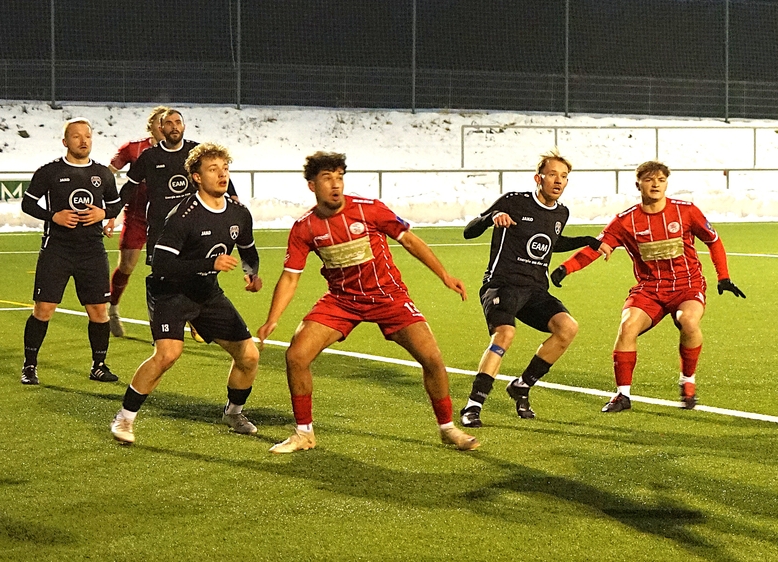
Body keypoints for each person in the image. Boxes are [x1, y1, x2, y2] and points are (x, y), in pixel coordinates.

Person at [257, 152, 479, 453]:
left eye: (339, 177)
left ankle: (448, 428)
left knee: (432, 358)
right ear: (312, 186)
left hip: (388, 296)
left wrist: (444, 275)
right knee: (296, 355)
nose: (336, 184)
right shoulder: (305, 228)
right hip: (342, 300)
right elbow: (290, 277)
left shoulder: (369, 209)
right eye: (327, 178)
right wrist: (272, 319)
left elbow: (409, 240)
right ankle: (304, 433)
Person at [551, 160, 745, 412]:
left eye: (661, 180)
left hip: (687, 286)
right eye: (649, 180)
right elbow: (597, 248)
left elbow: (713, 241)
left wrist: (723, 277)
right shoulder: (625, 221)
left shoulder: (686, 211)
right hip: (649, 289)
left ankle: (687, 380)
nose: (655, 184)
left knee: (688, 321)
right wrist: (566, 268)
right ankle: (622, 395)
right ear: (638, 184)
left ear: (666, 184)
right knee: (627, 326)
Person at [110, 143, 262, 444]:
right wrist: (210, 263)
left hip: (206, 291)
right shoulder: (183, 215)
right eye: (213, 169)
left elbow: (248, 249)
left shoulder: (239, 213)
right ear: (196, 177)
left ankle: (233, 412)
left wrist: (251, 272)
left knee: (249, 356)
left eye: (225, 168)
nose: (222, 175)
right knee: (168, 354)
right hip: (170, 291)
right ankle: (124, 418)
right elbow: (162, 264)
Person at [459, 151, 601, 428]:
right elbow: (469, 231)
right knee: (505, 334)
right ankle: (473, 405)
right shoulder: (514, 201)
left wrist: (586, 240)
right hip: (502, 285)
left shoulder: (561, 212)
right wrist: (492, 217)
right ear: (538, 178)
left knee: (567, 328)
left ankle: (522, 386)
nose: (558, 181)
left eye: (564, 177)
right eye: (552, 175)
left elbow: (551, 242)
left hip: (535, 290)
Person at [19, 118, 124, 386]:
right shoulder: (49, 172)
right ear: (65, 141)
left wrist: (104, 213)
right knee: (44, 309)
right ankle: (29, 366)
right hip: (57, 249)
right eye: (76, 136)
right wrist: (53, 216)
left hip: (92, 250)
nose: (83, 140)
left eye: (87, 136)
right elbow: (28, 203)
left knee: (98, 311)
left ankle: (98, 366)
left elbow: (115, 205)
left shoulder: (102, 173)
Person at [118, 108, 237, 343]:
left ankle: (196, 318)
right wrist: (111, 213)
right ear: (160, 128)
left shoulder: (196, 152)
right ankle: (161, 326)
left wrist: (233, 197)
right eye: (169, 123)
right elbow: (129, 186)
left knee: (200, 270)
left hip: (194, 226)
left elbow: (220, 174)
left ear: (184, 126)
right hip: (161, 228)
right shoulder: (149, 157)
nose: (174, 127)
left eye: (178, 122)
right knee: (162, 275)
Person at [104, 105, 170, 337]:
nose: (164, 126)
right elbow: (107, 174)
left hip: (166, 218)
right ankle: (112, 308)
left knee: (175, 267)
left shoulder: (179, 151)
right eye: (160, 121)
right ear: (151, 125)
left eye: (168, 122)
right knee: (127, 266)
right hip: (137, 215)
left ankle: (190, 316)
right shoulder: (134, 148)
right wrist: (110, 210)